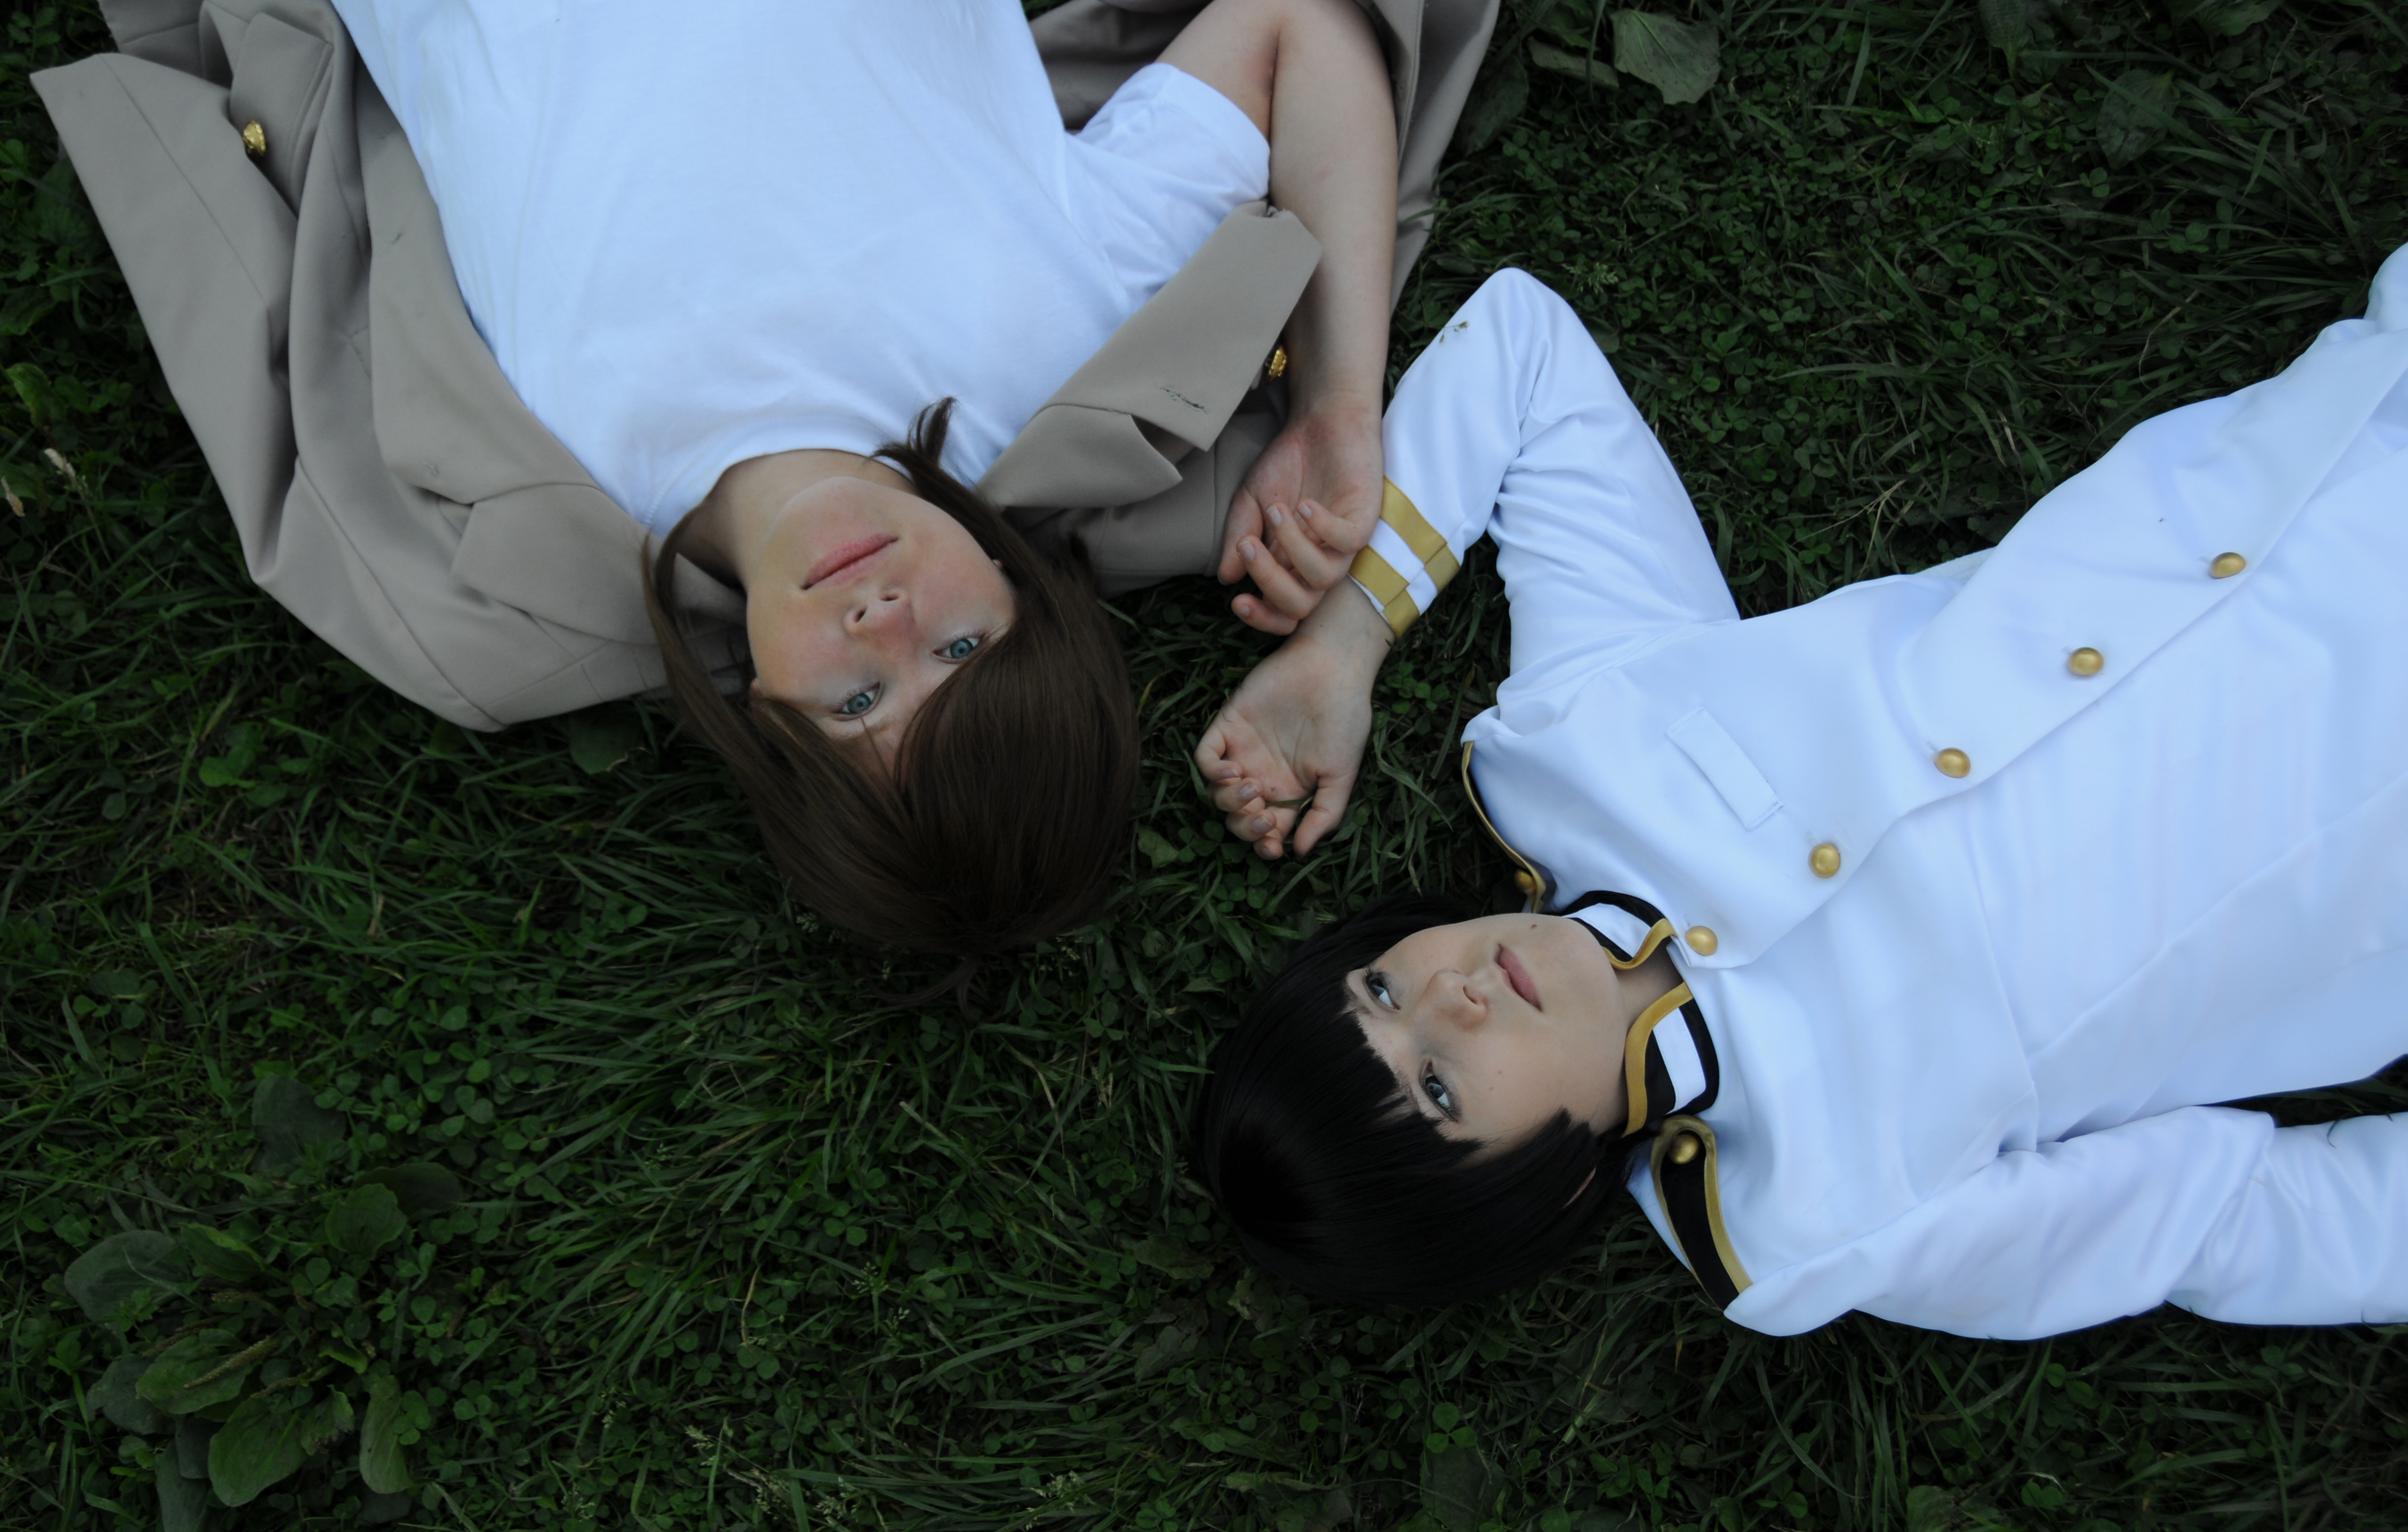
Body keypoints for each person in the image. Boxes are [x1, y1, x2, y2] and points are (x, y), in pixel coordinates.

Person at [1187, 253, 2408, 1338]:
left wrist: (1342, 644)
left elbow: (1525, 355)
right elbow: (2243, 1221)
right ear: (1537, 1193)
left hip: (2351, 465)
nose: (1450, 1000)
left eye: (1382, 988)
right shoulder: (1831, 1221)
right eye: (1440, 1090)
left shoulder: (1575, 746)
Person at [324, 0, 1402, 955]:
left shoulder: (554, 488)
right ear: (1013, 584)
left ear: (766, 708)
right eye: (961, 648)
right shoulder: (1052, 339)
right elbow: (1296, 29)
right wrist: (1338, 406)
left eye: (857, 703)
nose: (884, 623)